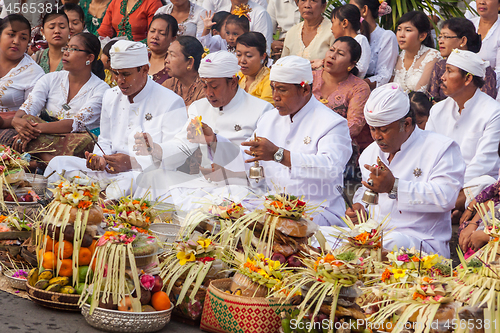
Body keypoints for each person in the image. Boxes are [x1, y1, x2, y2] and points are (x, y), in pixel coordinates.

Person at [191, 55, 352, 226]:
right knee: (216, 211)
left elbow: (330, 168)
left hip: (317, 211)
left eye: (282, 90)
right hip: (274, 206)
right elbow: (248, 156)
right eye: (273, 88)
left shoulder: (332, 123)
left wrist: (278, 155)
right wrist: (214, 140)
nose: (275, 96)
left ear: (305, 90)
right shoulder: (269, 119)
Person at [44, 40, 187, 199]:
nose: (119, 80)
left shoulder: (171, 102)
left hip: (141, 174)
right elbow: (105, 139)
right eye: (115, 73)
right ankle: (60, 208)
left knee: (129, 184)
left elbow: (177, 155)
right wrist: (99, 159)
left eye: (126, 74)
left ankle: (98, 208)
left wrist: (132, 162)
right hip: (109, 172)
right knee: (58, 165)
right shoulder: (111, 95)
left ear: (144, 70)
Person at [134, 50, 273, 208]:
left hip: (242, 186)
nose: (208, 93)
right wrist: (156, 149)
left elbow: (263, 165)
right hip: (205, 184)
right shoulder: (199, 107)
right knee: (153, 177)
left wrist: (227, 167)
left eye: (214, 87)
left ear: (233, 82)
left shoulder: (262, 110)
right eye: (204, 86)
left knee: (228, 201)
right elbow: (183, 144)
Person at [347, 83, 465, 257]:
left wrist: (394, 186)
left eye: (384, 130)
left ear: (407, 124)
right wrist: (360, 208)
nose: (377, 137)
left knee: (388, 243)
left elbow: (446, 197)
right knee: (326, 236)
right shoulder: (370, 153)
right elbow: (366, 191)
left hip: (423, 242)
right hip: (375, 235)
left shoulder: (441, 148)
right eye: (372, 129)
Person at [8, 32, 108, 164]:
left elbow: (74, 123)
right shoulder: (50, 78)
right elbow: (28, 107)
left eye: (73, 49)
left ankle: (40, 161)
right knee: (26, 119)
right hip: (45, 134)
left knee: (86, 141)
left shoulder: (101, 89)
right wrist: (17, 120)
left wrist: (32, 130)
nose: (66, 53)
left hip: (74, 138)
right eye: (66, 48)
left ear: (89, 57)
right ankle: (48, 161)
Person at [426, 49, 500, 224]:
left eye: (449, 71)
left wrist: (449, 191)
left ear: (468, 79)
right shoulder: (437, 110)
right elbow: (427, 153)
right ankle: (450, 208)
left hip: (469, 186)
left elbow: (484, 164)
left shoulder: (493, 112)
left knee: (484, 183)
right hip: (440, 184)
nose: (442, 77)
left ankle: (440, 207)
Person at [312, 37, 371, 153]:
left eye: (340, 54)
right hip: (303, 138)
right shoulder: (310, 77)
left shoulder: (359, 88)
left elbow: (354, 126)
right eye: (331, 50)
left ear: (351, 64)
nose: (332, 56)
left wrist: (323, 138)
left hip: (337, 146)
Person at [428, 17, 497, 102]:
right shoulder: (440, 65)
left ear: (463, 41)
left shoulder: (483, 69)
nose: (440, 41)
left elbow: (486, 103)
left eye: (446, 37)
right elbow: (432, 97)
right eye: (440, 37)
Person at [0, 14, 44, 114]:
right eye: (11, 35)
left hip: (11, 126)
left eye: (23, 38)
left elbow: (33, 113)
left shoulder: (34, 73)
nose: (16, 41)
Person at [350, 0, 397, 89]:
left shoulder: (386, 36)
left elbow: (384, 75)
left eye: (352, 8)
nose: (348, 11)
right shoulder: (352, 35)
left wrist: (357, 85)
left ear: (364, 10)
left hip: (372, 93)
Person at [393, 11, 441, 93]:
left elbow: (420, 92)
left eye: (408, 30)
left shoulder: (432, 56)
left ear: (422, 36)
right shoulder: (397, 56)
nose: (401, 35)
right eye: (399, 29)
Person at [202, 0, 273, 52]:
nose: (230, 37)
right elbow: (206, 44)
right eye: (227, 33)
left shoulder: (260, 13)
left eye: (235, 34)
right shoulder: (221, 42)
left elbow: (263, 48)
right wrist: (207, 29)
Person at [162, 35, 206, 107]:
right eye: (167, 54)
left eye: (172, 55)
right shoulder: (168, 85)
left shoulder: (205, 89)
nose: (166, 60)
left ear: (190, 62)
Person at [330, 4, 371, 78]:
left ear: (344, 23)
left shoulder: (360, 40)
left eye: (333, 22)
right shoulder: (338, 42)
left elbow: (360, 68)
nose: (331, 28)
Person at [470, 0, 500, 97]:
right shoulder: (469, 25)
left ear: (499, 5)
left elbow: (498, 72)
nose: (482, 2)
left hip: (490, 89)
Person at [97, 0, 162, 42]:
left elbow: (153, 36)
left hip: (141, 51)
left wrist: (130, 47)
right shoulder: (116, 2)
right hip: (117, 49)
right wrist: (88, 40)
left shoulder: (153, 3)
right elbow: (104, 31)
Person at [236, 32, 272, 104]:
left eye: (249, 56)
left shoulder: (270, 81)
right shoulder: (238, 76)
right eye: (239, 55)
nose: (242, 60)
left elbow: (265, 109)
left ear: (263, 57)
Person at [147, 14, 177, 84]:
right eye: (152, 31)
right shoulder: (139, 59)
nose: (155, 36)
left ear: (173, 39)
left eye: (162, 33)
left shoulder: (174, 65)